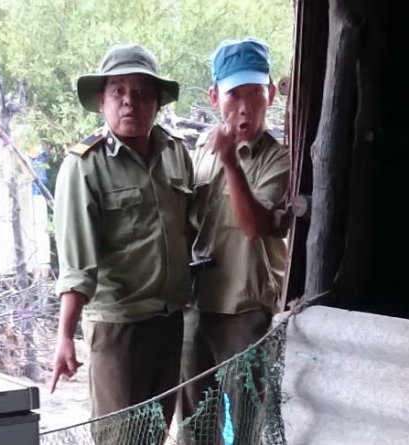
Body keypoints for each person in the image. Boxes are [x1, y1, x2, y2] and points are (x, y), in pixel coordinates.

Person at [49, 43, 194, 437]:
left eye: (142, 93)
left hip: (169, 321)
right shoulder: (84, 166)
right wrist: (64, 337)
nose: (130, 101)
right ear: (102, 101)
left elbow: (190, 230)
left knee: (156, 432)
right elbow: (77, 265)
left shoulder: (175, 153)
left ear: (157, 103)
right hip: (119, 328)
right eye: (119, 91)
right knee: (121, 436)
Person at [180, 38, 291, 436]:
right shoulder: (200, 151)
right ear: (214, 97)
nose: (244, 107)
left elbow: (255, 226)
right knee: (195, 427)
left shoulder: (280, 159)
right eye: (234, 95)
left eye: (254, 93)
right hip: (197, 308)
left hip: (246, 311)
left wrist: (230, 161)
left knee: (247, 426)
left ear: (270, 94)